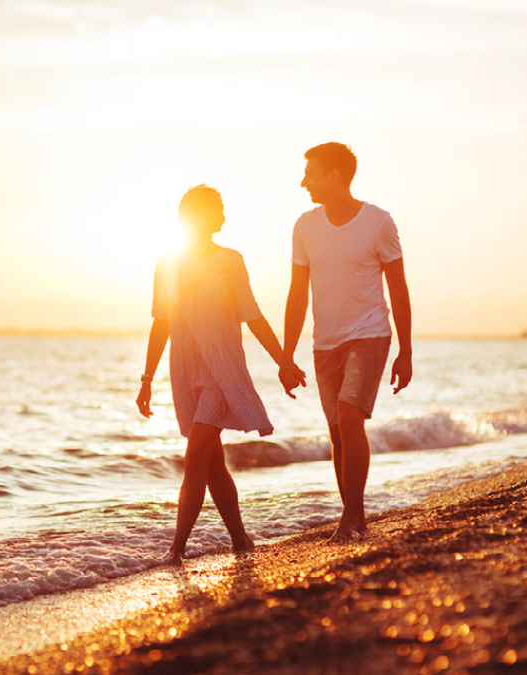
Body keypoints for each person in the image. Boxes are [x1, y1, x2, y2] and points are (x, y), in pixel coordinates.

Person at [136, 185, 305, 564]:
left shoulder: (231, 260)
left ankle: (175, 550)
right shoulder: (167, 263)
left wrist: (283, 360)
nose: (224, 217)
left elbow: (253, 315)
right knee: (213, 463)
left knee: (195, 454)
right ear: (195, 217)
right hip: (184, 370)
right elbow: (160, 323)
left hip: (221, 370)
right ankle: (240, 540)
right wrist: (147, 380)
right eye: (217, 210)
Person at [279, 142, 413, 542]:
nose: (304, 182)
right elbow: (297, 294)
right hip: (326, 343)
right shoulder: (304, 226)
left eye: (311, 173)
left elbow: (399, 288)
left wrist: (405, 351)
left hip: (370, 333)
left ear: (335, 175)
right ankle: (354, 515)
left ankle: (350, 518)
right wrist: (286, 356)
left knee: (351, 417)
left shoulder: (378, 222)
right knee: (337, 431)